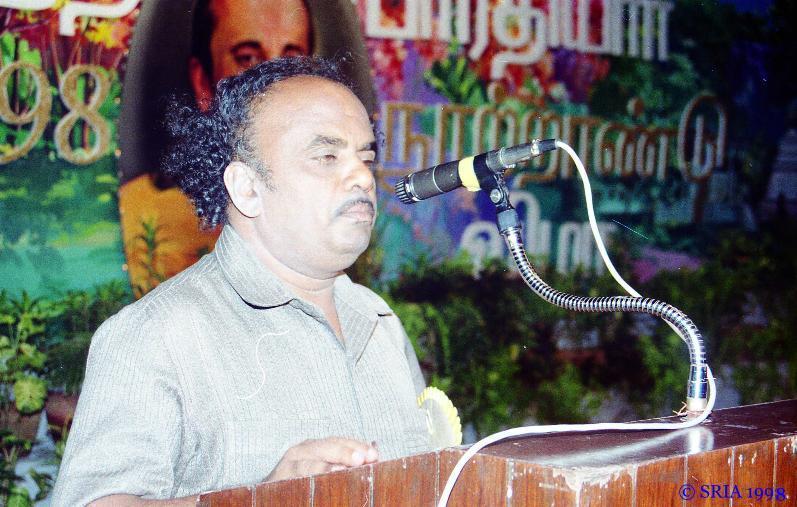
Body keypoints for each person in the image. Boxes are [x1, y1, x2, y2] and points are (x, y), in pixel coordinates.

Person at [52, 57, 430, 505]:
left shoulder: (379, 320)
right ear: (247, 188)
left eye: (366, 158)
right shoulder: (157, 334)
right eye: (327, 157)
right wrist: (257, 500)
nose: (363, 177)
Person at [118, 0, 373, 295]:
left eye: (291, 61)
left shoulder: (341, 201)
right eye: (248, 58)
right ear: (202, 82)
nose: (273, 81)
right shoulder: (145, 212)